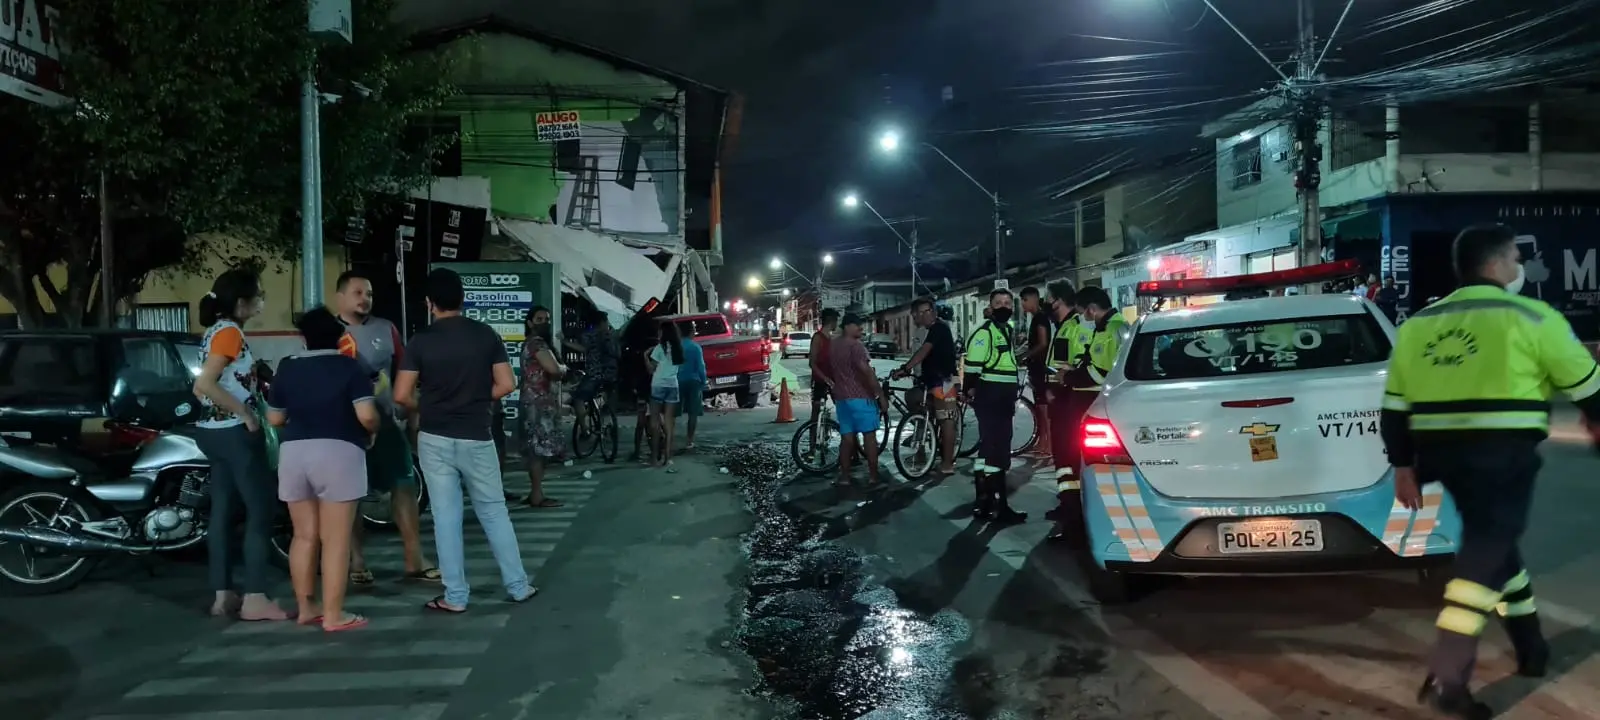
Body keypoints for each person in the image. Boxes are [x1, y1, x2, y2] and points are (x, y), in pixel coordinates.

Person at [1381, 223, 1600, 719]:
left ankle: (1532, 648)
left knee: (1497, 547)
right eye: (1516, 259)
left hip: (1441, 457)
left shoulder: (1420, 324)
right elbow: (1590, 390)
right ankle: (1449, 675)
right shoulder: (1532, 316)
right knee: (1482, 558)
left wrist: (1402, 466)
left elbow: (1394, 408)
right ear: (1500, 265)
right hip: (1502, 456)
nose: (1520, 268)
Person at [394, 269, 536, 613]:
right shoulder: (485, 335)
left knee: (446, 516)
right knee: (494, 511)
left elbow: (401, 394)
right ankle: (518, 586)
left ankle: (455, 597)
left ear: (430, 304)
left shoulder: (421, 341)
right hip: (477, 436)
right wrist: (474, 398)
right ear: (462, 299)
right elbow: (506, 384)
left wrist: (429, 405)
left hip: (435, 437)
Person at [267, 308, 381, 632]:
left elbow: (275, 418)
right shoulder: (349, 367)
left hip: (293, 453)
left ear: (304, 337)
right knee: (336, 539)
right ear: (340, 337)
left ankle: (306, 607)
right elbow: (367, 415)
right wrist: (373, 432)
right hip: (339, 452)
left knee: (303, 536)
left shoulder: (287, 368)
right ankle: (333, 615)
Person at [191, 268, 289, 621]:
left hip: (211, 433)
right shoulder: (230, 332)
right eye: (259, 295)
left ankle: (223, 595)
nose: (263, 300)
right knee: (260, 511)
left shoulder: (214, 331)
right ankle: (255, 597)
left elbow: (202, 385)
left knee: (221, 513)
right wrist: (246, 413)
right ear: (242, 302)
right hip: (233, 432)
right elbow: (205, 383)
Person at [332, 271, 438, 587]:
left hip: (387, 423)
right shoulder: (327, 331)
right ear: (340, 296)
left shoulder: (386, 329)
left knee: (403, 485)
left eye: (369, 293)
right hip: (345, 429)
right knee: (349, 496)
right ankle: (357, 561)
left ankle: (413, 558)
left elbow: (406, 370)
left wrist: (412, 412)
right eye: (357, 293)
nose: (365, 299)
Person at [963, 289, 1026, 523]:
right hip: (990, 396)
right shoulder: (985, 333)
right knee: (997, 450)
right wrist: (969, 389)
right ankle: (998, 505)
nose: (1004, 306)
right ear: (990, 307)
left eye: (1008, 303)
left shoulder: (1006, 330)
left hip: (1003, 397)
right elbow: (972, 366)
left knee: (989, 448)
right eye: (998, 303)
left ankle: (984, 500)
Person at [1042, 283, 1092, 544]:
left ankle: (1074, 521)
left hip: (1067, 402)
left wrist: (1053, 391)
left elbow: (1065, 369)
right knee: (1065, 463)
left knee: (1067, 461)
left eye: (1048, 300)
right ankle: (1067, 508)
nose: (1046, 305)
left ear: (1058, 301)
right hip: (1066, 401)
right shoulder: (1068, 326)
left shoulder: (1073, 328)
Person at [892, 298, 959, 474]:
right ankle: (924, 444)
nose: (924, 315)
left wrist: (905, 368)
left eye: (927, 311)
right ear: (914, 315)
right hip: (929, 381)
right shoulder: (926, 330)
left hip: (945, 381)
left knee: (946, 421)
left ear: (934, 311)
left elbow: (924, 350)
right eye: (920, 312)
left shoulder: (939, 327)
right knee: (913, 399)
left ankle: (947, 464)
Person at [830, 313, 887, 487]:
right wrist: (880, 395)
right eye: (857, 325)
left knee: (847, 439)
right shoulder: (856, 346)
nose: (861, 329)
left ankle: (845, 477)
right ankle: (873, 476)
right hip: (861, 397)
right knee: (869, 436)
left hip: (842, 398)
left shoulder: (834, 345)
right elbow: (867, 372)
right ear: (847, 326)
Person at [517, 308, 566, 508]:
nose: (545, 322)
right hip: (538, 405)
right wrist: (564, 368)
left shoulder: (529, 343)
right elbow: (554, 369)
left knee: (535, 449)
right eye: (539, 319)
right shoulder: (537, 343)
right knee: (538, 450)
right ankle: (537, 494)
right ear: (530, 323)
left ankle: (535, 492)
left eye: (546, 318)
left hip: (534, 402)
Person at [1018, 286, 1054, 458]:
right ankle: (1041, 441)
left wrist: (1025, 356)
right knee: (1039, 407)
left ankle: (1047, 444)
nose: (1022, 304)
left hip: (1041, 368)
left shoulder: (1040, 318)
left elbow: (1043, 343)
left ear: (1033, 299)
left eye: (1025, 300)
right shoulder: (1035, 318)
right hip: (1036, 368)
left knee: (1043, 408)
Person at [569, 310, 618, 434]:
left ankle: (585, 430)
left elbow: (584, 349)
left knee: (578, 399)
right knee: (605, 392)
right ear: (603, 322)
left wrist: (565, 341)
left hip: (594, 374)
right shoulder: (612, 335)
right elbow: (618, 353)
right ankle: (601, 408)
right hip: (611, 374)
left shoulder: (588, 335)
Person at [645, 321, 685, 468]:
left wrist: (645, 356)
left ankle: (654, 458)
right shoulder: (677, 349)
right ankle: (667, 458)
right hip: (673, 386)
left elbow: (651, 369)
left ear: (664, 332)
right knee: (669, 424)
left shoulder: (658, 349)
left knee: (654, 423)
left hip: (658, 386)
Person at [809, 309, 840, 428]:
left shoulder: (831, 339)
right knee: (816, 413)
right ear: (831, 321)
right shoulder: (818, 338)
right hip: (819, 380)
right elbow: (812, 363)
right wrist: (824, 378)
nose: (836, 324)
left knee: (842, 408)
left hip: (833, 380)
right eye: (836, 321)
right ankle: (813, 445)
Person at [678, 327, 707, 452]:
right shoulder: (695, 347)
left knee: (672, 412)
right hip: (694, 381)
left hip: (677, 380)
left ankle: (668, 438)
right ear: (691, 332)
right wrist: (703, 380)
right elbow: (700, 366)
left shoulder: (676, 346)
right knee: (693, 413)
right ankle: (689, 441)